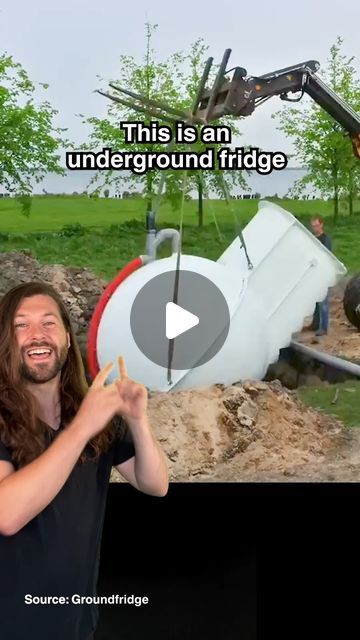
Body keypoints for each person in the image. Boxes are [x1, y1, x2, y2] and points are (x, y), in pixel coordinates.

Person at [0, 281, 169, 640]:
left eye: (48, 323)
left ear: (65, 336)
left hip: (74, 626)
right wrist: (81, 429)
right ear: (6, 341)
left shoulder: (93, 414)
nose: (37, 334)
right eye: (21, 325)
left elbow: (155, 484)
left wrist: (138, 420)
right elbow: (7, 515)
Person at [308, 216, 332, 335]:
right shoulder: (312, 239)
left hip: (323, 273)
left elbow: (326, 256)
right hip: (314, 273)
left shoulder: (325, 239)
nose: (315, 228)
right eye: (313, 226)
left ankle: (323, 327)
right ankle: (315, 324)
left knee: (323, 301)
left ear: (321, 225)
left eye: (316, 225)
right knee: (315, 300)